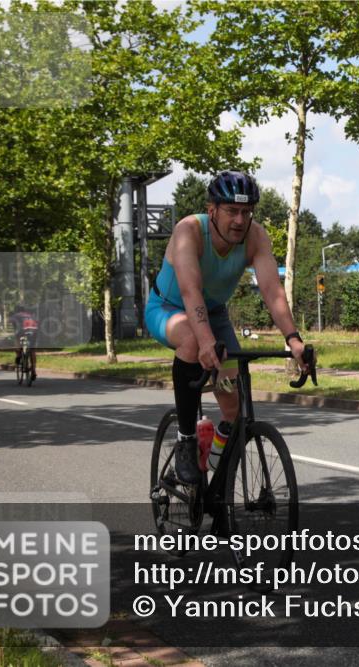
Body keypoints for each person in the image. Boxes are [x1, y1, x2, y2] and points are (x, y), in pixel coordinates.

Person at [145, 170, 307, 484]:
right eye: (231, 211)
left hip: (214, 315)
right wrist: (206, 341)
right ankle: (186, 441)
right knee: (192, 342)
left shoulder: (256, 237)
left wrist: (294, 340)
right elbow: (191, 291)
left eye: (246, 212)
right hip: (169, 308)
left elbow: (273, 292)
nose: (239, 220)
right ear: (212, 210)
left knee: (235, 410)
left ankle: (215, 482)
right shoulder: (189, 231)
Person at [8, 304, 39, 382]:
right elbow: (37, 322)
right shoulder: (30, 315)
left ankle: (18, 355)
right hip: (34, 331)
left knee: (17, 338)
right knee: (32, 350)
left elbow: (10, 322)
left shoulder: (15, 315)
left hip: (22, 331)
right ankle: (33, 370)